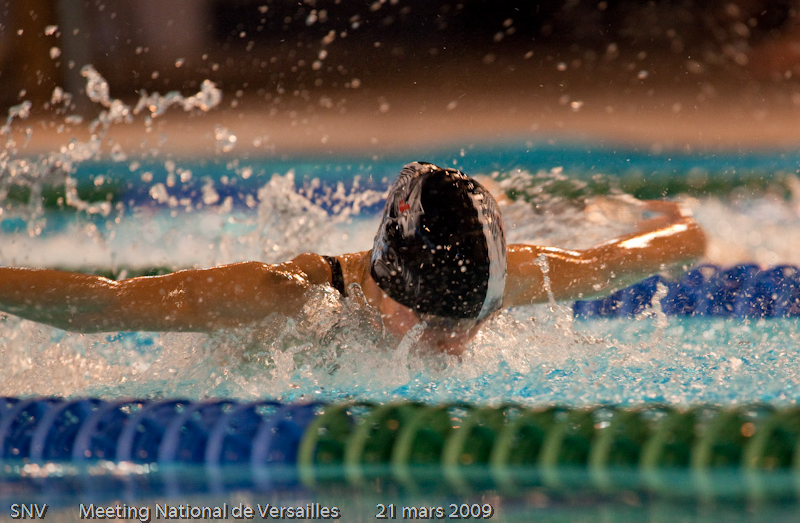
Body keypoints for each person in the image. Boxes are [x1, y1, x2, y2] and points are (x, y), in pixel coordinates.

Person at [0, 161, 706, 354]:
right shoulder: (285, 298)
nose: (454, 343)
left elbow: (618, 262)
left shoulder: (503, 280)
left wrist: (683, 228)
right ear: (385, 284)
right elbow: (104, 304)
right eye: (434, 319)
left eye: (472, 319)